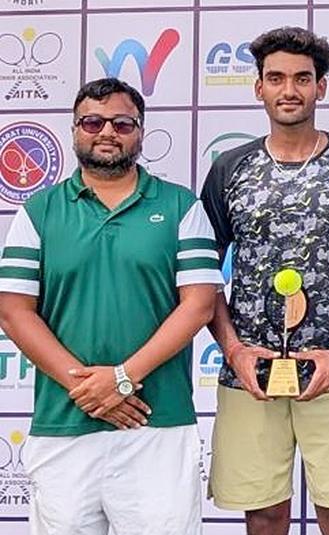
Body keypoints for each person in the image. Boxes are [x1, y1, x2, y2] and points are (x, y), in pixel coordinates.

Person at [0, 77, 222, 534]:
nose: (107, 132)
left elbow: (199, 305)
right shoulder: (38, 211)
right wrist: (91, 389)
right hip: (65, 423)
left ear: (140, 132)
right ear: (74, 129)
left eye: (122, 123)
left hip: (157, 423)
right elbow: (14, 311)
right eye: (93, 122)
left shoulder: (181, 205)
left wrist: (122, 379)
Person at [199, 26, 329, 535]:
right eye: (277, 78)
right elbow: (203, 278)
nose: (290, 90)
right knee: (263, 514)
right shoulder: (229, 168)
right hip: (251, 374)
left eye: (302, 78)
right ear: (258, 87)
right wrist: (235, 351)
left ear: (321, 87)